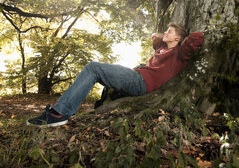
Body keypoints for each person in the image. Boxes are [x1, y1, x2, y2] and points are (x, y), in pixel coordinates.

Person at [27, 22, 204, 127]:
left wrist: (185, 37)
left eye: (170, 32)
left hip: (140, 82)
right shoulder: (162, 49)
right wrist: (165, 34)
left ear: (178, 39)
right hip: (136, 76)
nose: (165, 32)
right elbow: (154, 37)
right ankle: (89, 107)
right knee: (101, 72)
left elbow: (196, 38)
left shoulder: (179, 54)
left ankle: (59, 114)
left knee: (93, 68)